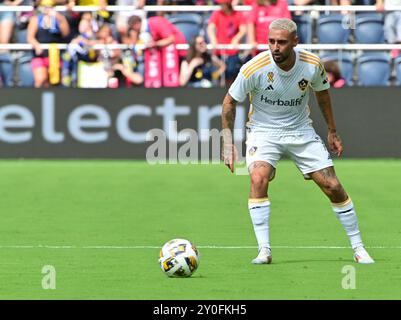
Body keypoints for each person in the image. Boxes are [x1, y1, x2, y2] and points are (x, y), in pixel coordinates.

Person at [221, 18, 375, 265]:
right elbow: (229, 102)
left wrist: (332, 131)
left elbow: (322, 94)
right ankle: (264, 250)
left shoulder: (312, 65)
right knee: (258, 177)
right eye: (271, 41)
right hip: (264, 132)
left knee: (333, 187)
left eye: (281, 42)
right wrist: (228, 143)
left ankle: (358, 248)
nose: (275, 47)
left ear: (295, 41)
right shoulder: (254, 68)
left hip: (300, 130)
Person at [27, 0, 70, 87]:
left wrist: (59, 17)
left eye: (49, 6)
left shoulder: (58, 19)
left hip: (55, 55)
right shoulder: (36, 19)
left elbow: (66, 33)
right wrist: (36, 45)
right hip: (40, 55)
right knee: (41, 79)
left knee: (53, 82)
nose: (47, 9)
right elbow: (30, 37)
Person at [207, 0, 246, 86]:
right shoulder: (217, 13)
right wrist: (213, 40)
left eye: (222, 3)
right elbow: (210, 27)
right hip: (219, 51)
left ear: (228, 4)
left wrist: (236, 38)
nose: (220, 5)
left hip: (232, 52)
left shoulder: (238, 14)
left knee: (231, 72)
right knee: (214, 74)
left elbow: (243, 29)